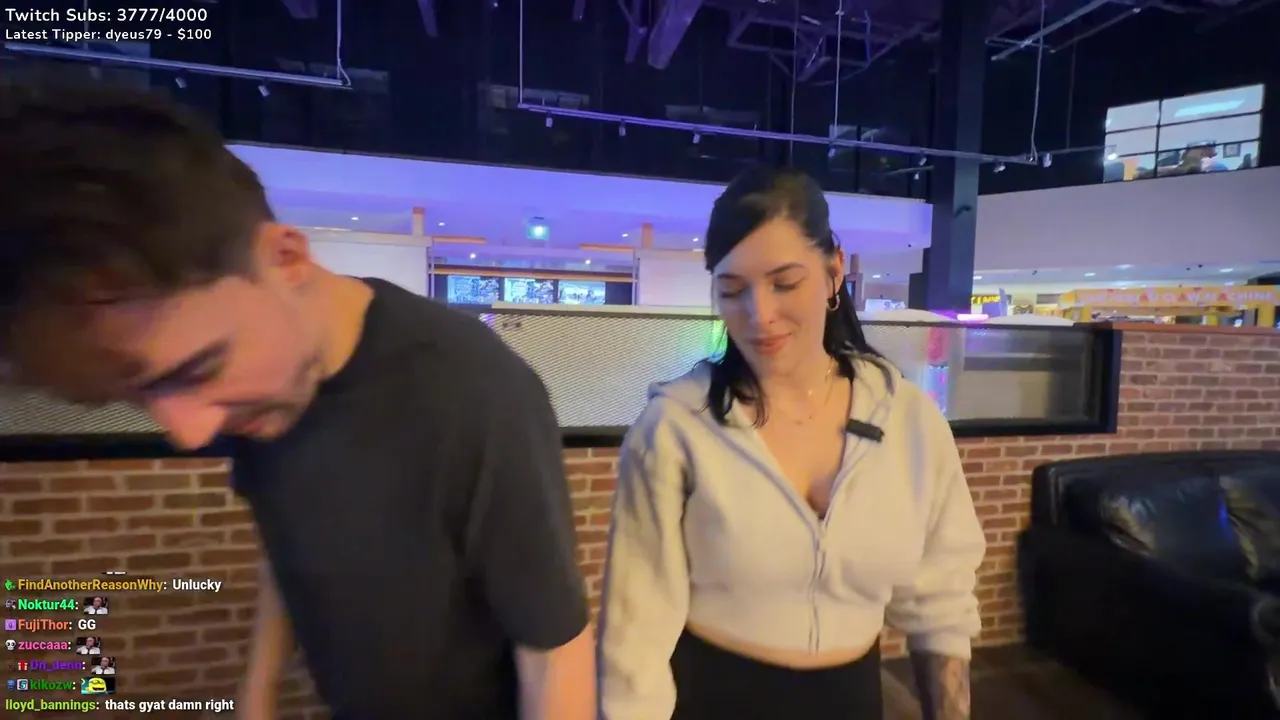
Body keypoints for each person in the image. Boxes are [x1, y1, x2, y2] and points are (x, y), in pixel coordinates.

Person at [0, 82, 594, 720]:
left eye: (202, 367)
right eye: (142, 394)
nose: (189, 433)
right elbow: (286, 548)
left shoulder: (472, 390)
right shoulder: (257, 401)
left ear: (285, 260)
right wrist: (255, 701)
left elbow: (554, 649)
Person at [597, 167, 986, 719]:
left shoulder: (908, 421)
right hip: (713, 699)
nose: (760, 315)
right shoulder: (677, 427)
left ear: (833, 273)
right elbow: (634, 636)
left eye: (784, 284)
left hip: (852, 701)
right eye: (733, 291)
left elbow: (941, 602)